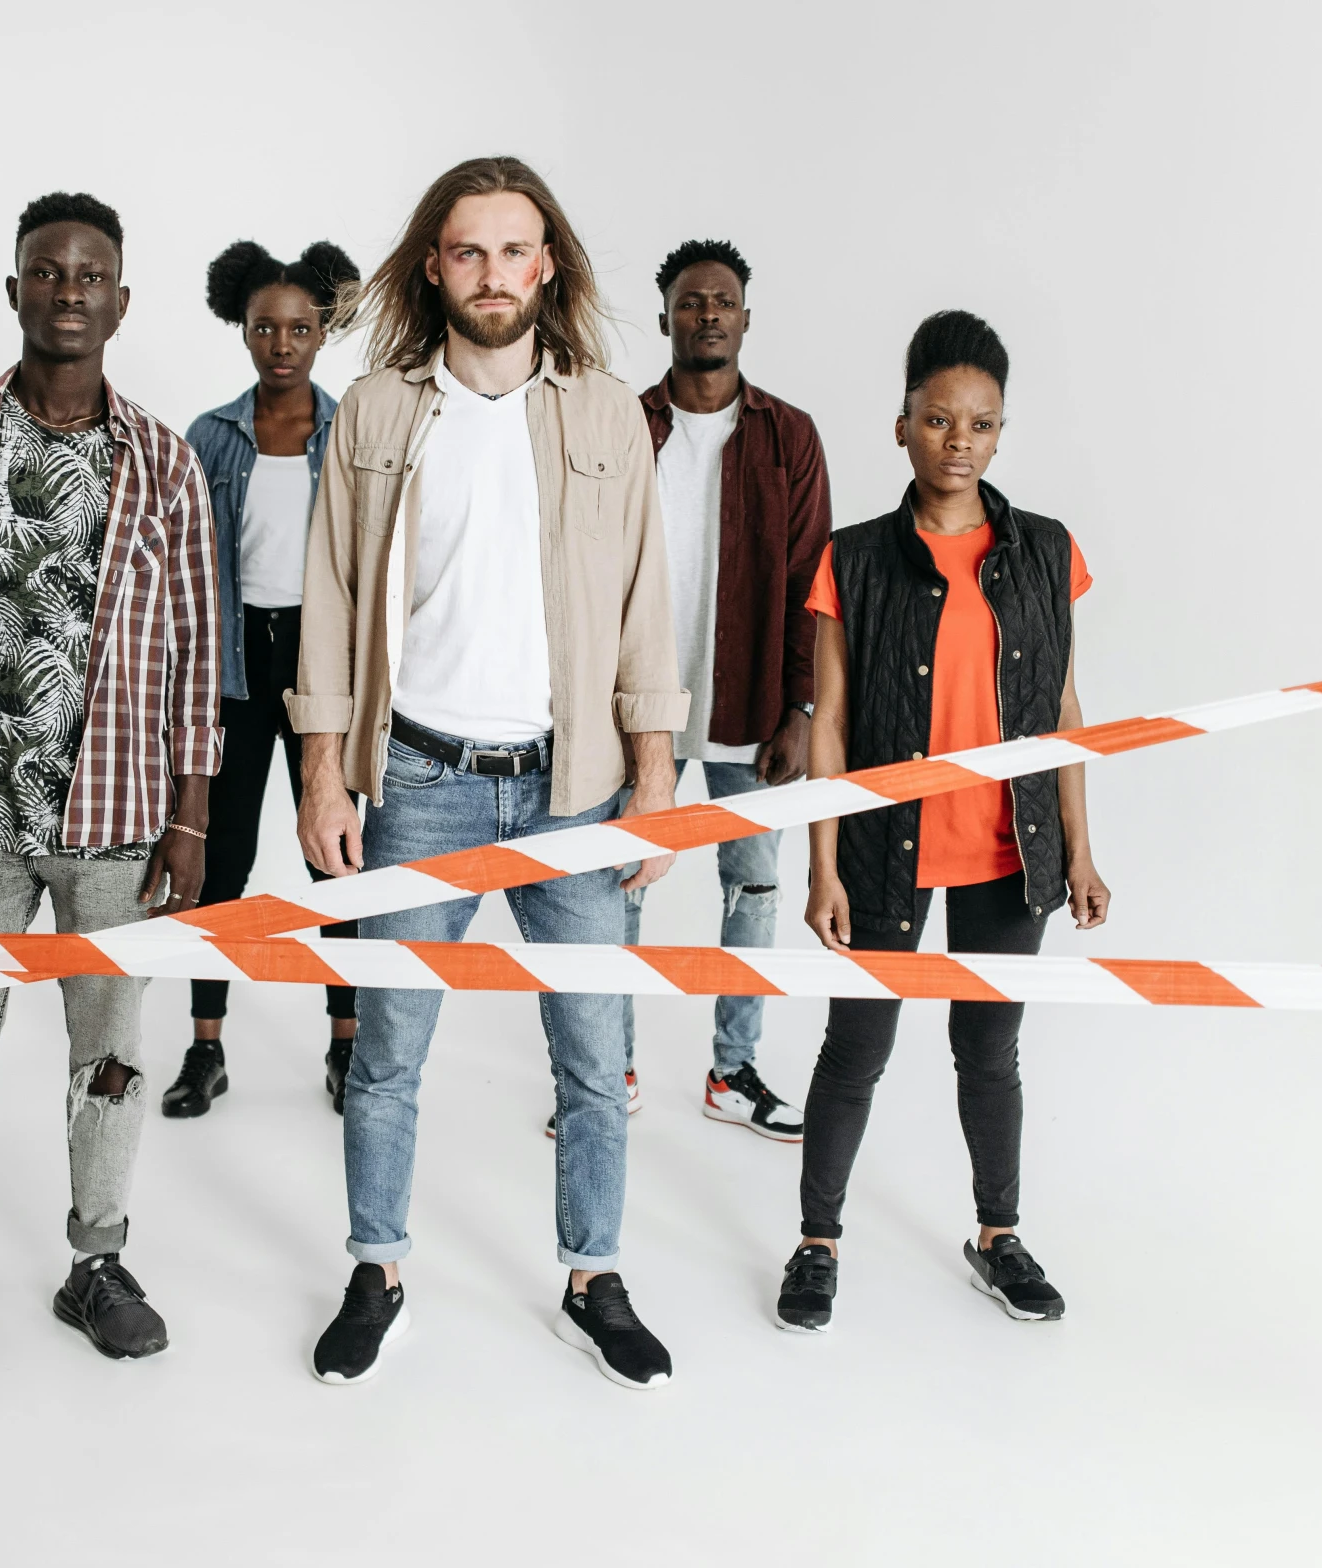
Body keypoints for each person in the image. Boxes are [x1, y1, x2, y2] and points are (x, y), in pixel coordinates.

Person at [291, 156, 688, 1390]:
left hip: (572, 787)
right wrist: (320, 764)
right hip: (419, 778)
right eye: (470, 252)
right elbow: (331, 590)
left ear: (548, 264)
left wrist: (655, 765)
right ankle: (378, 1266)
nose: (494, 274)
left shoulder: (610, 413)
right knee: (387, 1053)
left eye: (516, 251)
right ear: (435, 266)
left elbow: (642, 596)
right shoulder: (374, 410)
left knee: (592, 1051)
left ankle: (594, 1275)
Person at [0, 193, 222, 1380]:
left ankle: (97, 1262)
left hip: (117, 818)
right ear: (13, 290)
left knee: (110, 1055)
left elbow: (197, 647)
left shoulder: (164, 461)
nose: (68, 290)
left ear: (121, 299)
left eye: (90, 274)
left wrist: (190, 812)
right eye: (46, 272)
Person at [778, 310, 1110, 1335]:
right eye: (937, 418)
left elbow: (1060, 708)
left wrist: (1083, 851)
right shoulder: (856, 559)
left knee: (990, 1052)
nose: (958, 439)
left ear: (1001, 433)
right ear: (902, 425)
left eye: (980, 422)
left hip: (1012, 853)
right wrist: (821, 865)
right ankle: (818, 1240)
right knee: (855, 1048)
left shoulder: (1048, 553)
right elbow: (828, 721)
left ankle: (998, 1236)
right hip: (885, 853)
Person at [600, 238, 831, 1143]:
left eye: (722, 301)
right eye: (690, 301)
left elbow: (812, 576)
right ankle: (605, 1069)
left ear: (744, 317)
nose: (706, 315)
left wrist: (802, 707)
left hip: (751, 707)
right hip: (637, 708)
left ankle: (732, 1072)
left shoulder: (788, 434)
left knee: (755, 888)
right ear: (664, 317)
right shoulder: (624, 422)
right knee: (617, 887)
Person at [161, 240, 364, 1121]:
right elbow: (177, 565)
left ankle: (348, 1042)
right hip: (235, 667)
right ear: (242, 333)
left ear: (324, 333)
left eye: (299, 328)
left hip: (324, 669)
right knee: (222, 864)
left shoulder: (349, 429)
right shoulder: (209, 436)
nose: (281, 343)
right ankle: (206, 1047)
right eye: (264, 329)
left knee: (341, 865)